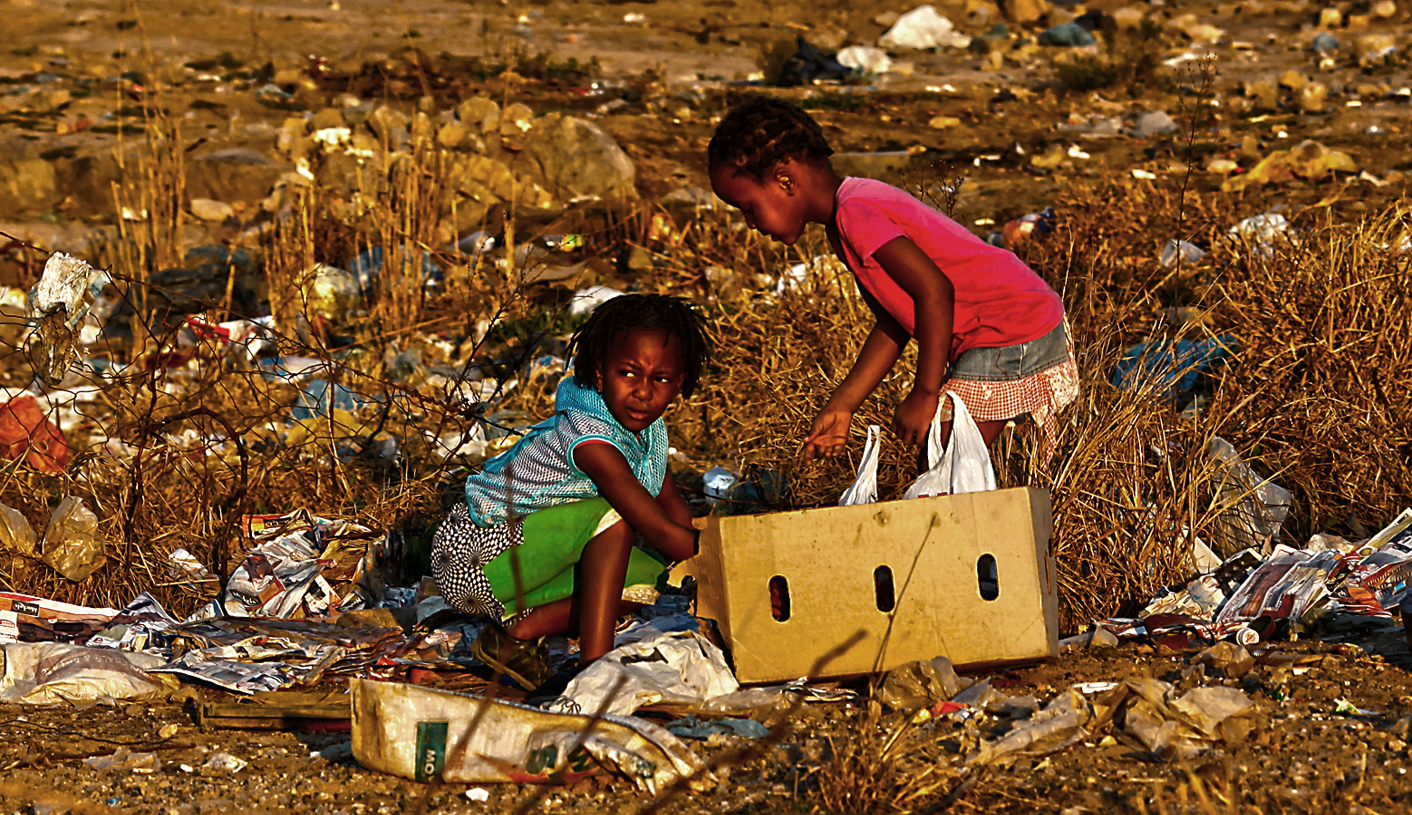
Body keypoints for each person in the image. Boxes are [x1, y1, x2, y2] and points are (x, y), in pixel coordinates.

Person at [707, 97, 1078, 468]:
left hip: (1010, 330)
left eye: (748, 208)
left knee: (946, 468)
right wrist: (843, 405)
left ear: (785, 180)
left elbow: (934, 290)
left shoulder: (856, 212)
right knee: (953, 466)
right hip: (1013, 324)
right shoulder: (844, 220)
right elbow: (893, 322)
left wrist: (925, 393)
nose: (750, 223)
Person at [431, 294, 710, 692]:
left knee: (649, 578)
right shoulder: (591, 440)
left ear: (679, 382)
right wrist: (728, 559)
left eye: (661, 379)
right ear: (600, 374)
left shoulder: (646, 435)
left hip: (525, 562)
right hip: (471, 556)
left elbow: (675, 515)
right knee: (613, 518)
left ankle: (517, 634)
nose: (644, 392)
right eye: (628, 373)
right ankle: (594, 668)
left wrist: (718, 551)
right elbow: (660, 529)